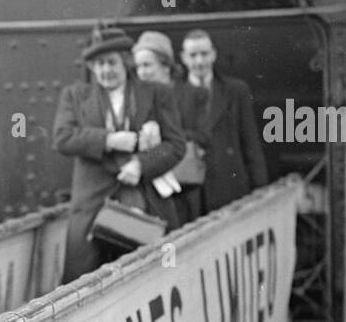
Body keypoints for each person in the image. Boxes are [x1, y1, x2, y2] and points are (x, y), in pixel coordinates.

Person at [52, 26, 186, 283]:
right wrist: (109, 140)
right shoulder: (75, 96)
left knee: (151, 279)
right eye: (99, 64)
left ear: (125, 61)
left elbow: (176, 145)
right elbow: (62, 138)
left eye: (111, 62)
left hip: (145, 204)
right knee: (82, 283)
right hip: (92, 205)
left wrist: (141, 165)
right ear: (91, 67)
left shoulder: (157, 93)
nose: (106, 71)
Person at [180, 29, 269, 212]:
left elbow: (250, 142)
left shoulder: (236, 90)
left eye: (204, 54)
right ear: (183, 58)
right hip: (190, 193)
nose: (199, 61)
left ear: (213, 54)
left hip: (229, 187)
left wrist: (261, 189)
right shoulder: (173, 94)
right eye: (193, 55)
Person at [133, 30, 208, 225]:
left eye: (147, 65)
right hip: (150, 190)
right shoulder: (136, 100)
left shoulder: (192, 95)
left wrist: (164, 139)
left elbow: (204, 135)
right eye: (138, 66)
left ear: (166, 66)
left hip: (183, 190)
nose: (142, 72)